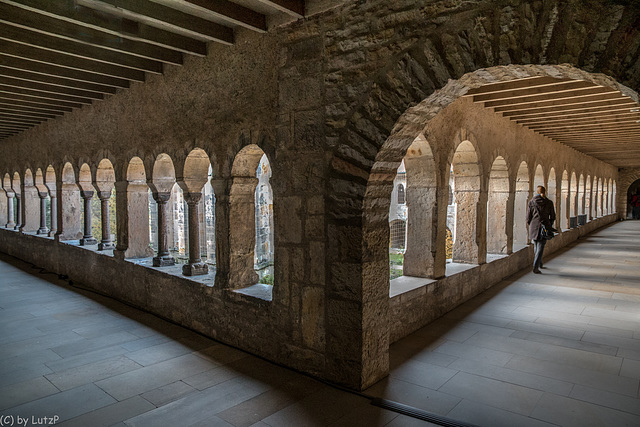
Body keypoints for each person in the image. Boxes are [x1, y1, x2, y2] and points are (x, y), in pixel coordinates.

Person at [526, 185, 556, 274]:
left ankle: (540, 263)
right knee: (540, 247)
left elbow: (528, 217)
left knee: (536, 245)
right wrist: (549, 224)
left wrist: (531, 224)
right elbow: (553, 216)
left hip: (534, 227)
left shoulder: (532, 202)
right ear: (544, 191)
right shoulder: (549, 202)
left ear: (537, 192)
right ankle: (535, 267)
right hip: (544, 227)